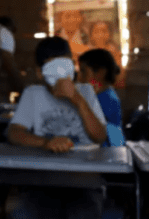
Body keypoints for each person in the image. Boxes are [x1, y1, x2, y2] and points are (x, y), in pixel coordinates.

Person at [7, 37, 107, 219]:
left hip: (83, 182)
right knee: (24, 214)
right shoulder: (33, 94)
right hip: (43, 182)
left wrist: (76, 99)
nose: (61, 75)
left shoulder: (85, 91)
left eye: (65, 66)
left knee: (83, 214)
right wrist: (45, 142)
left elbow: (100, 136)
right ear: (40, 73)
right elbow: (14, 133)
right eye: (53, 69)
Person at [78, 49, 122, 128]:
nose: (79, 77)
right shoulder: (98, 96)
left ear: (101, 73)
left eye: (83, 71)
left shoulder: (108, 100)